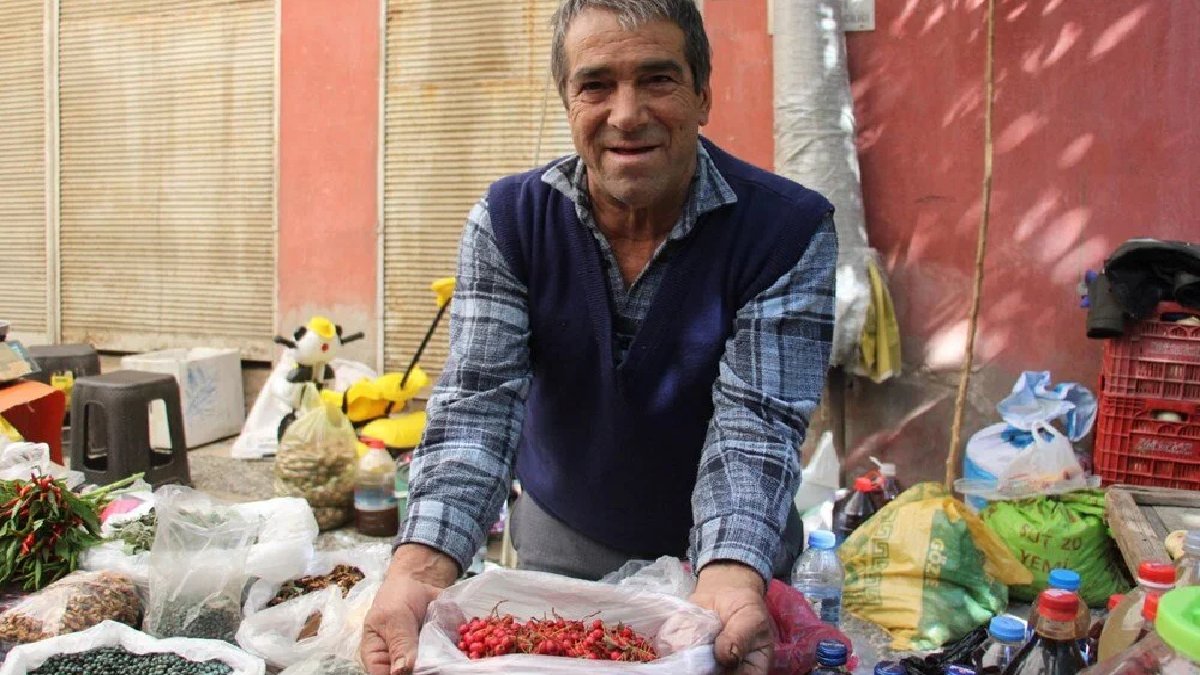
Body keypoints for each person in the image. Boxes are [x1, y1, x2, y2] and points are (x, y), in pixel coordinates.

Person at [360, 0, 837, 673]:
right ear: (568, 100)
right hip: (561, 550)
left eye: (658, 79)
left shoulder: (786, 231)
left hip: (731, 565)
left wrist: (729, 579)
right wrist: (418, 571)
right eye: (596, 85)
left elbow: (756, 425)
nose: (626, 113)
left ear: (703, 94)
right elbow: (477, 407)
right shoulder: (510, 222)